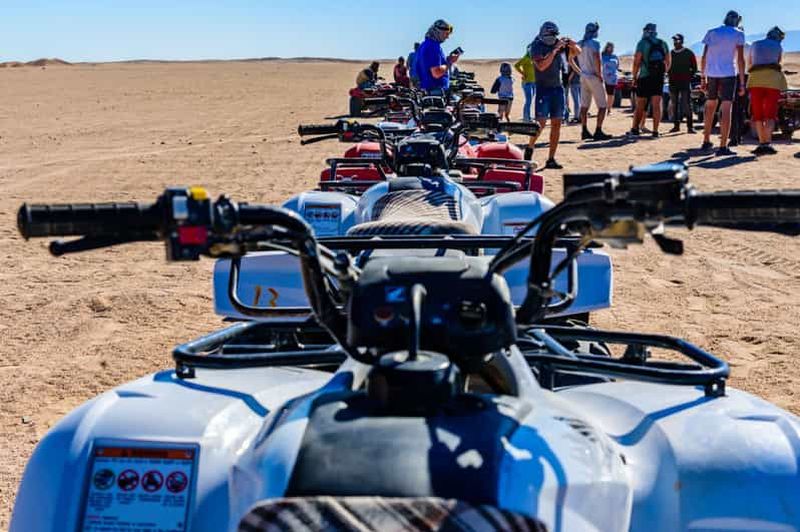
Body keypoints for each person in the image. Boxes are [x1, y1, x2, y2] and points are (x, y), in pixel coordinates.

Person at [524, 21, 581, 169]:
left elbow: (577, 53)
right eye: (550, 34)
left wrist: (572, 44)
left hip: (558, 89)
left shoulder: (559, 45)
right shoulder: (536, 46)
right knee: (540, 123)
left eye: (554, 35)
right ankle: (530, 147)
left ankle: (551, 159)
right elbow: (541, 66)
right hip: (543, 89)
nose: (552, 38)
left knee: (556, 124)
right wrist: (555, 50)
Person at [700, 10, 746, 156]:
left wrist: (703, 77)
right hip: (728, 73)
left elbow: (704, 56)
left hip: (712, 73)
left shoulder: (712, 32)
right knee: (726, 108)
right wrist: (742, 83)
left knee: (710, 106)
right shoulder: (738, 34)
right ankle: (722, 146)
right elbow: (740, 59)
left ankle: (706, 140)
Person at [748, 26, 787, 155]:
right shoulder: (778, 46)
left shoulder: (755, 44)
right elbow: (778, 61)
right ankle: (767, 143)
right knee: (770, 114)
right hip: (772, 81)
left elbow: (750, 62)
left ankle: (761, 143)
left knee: (757, 114)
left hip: (755, 80)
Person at [629, 23, 670, 138]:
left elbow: (637, 61)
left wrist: (634, 76)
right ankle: (655, 131)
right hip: (658, 78)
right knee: (656, 104)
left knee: (640, 104)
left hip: (645, 76)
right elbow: (668, 61)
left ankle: (635, 129)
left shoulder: (642, 43)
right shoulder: (663, 43)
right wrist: (662, 72)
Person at [577, 22, 611, 140]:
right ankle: (598, 130)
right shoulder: (595, 43)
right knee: (602, 105)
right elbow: (597, 58)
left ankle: (584, 129)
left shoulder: (580, 44)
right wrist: (599, 74)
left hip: (583, 76)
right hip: (593, 76)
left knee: (584, 105)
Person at [416, 19, 459, 94]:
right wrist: (450, 62)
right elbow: (436, 73)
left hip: (429, 89)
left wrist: (447, 61)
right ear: (439, 32)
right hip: (436, 91)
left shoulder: (425, 44)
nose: (447, 37)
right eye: (446, 34)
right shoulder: (432, 46)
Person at [668, 34, 698, 133]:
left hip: (685, 82)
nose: (675, 42)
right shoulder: (670, 53)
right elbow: (667, 66)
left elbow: (694, 68)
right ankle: (676, 126)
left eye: (677, 40)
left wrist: (688, 77)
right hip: (673, 82)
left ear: (682, 41)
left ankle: (690, 126)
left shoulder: (688, 53)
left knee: (686, 104)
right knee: (674, 104)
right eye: (674, 40)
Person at [514, 52, 536, 122]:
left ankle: (529, 116)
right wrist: (523, 73)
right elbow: (516, 65)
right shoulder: (526, 58)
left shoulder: (535, 58)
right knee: (528, 100)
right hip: (527, 82)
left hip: (535, 82)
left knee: (531, 100)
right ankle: (526, 118)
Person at [602, 42, 619, 113]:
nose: (611, 48)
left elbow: (617, 66)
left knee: (611, 94)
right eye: (609, 46)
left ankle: (609, 109)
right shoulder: (602, 55)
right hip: (604, 77)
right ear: (606, 47)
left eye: (612, 47)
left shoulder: (615, 56)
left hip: (613, 77)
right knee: (604, 93)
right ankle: (603, 107)